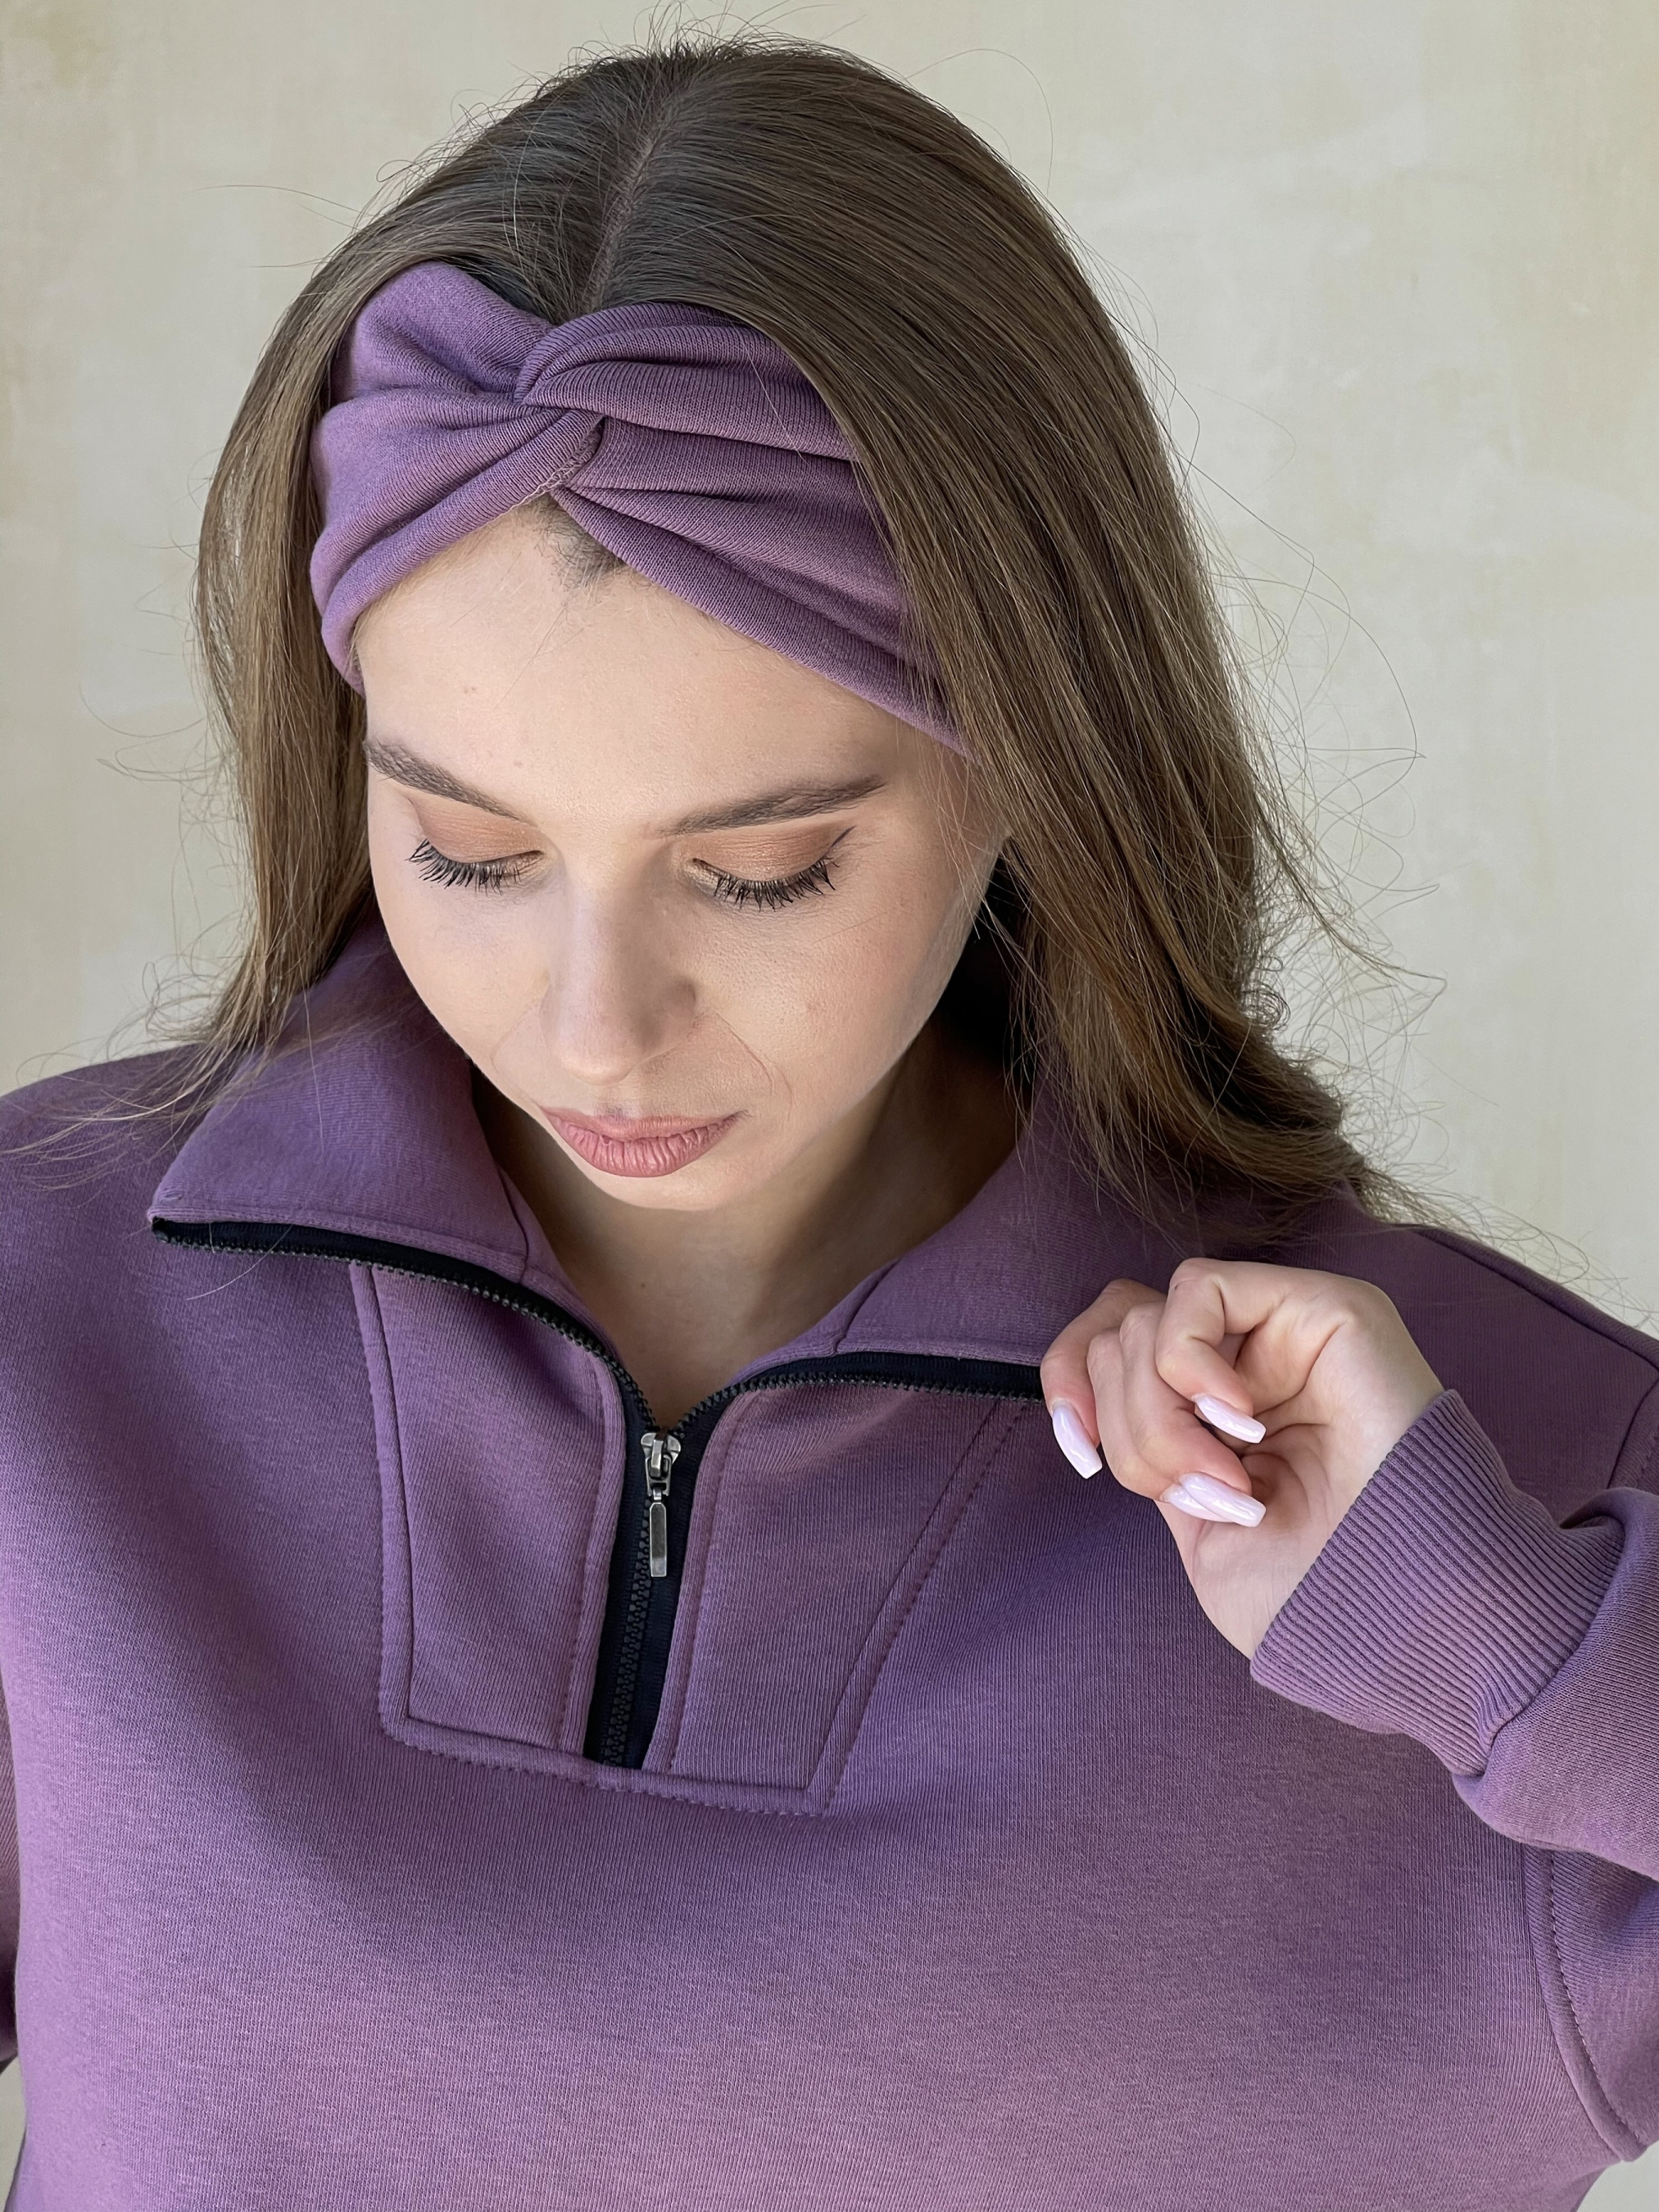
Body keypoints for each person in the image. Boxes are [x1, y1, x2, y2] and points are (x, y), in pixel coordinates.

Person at [0, 29, 1653, 2212]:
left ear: (1034, 757)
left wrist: (1507, 1642)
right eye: (469, 850)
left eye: (761, 868)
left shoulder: (1502, 1491)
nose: (594, 1025)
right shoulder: (44, 1329)